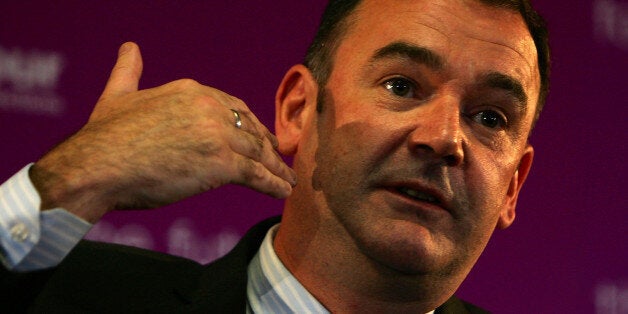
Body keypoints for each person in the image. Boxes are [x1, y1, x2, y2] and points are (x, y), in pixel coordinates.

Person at [0, 0, 550, 312]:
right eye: (402, 86)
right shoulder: (77, 299)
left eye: (490, 118)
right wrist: (76, 174)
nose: (445, 138)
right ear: (297, 111)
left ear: (513, 186)